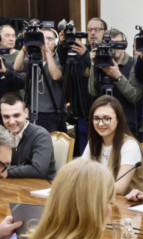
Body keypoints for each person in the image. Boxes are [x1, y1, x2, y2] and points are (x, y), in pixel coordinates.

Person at [57, 17, 107, 153]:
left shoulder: (106, 52)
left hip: (99, 108)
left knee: (99, 150)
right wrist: (61, 45)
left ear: (105, 32)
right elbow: (63, 63)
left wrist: (86, 55)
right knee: (83, 150)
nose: (93, 33)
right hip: (81, 109)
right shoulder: (79, 50)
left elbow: (101, 73)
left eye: (97, 29)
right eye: (90, 29)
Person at [82, 95, 143, 195]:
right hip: (97, 201)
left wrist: (88, 188)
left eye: (107, 119)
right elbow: (81, 176)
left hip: (125, 206)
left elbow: (119, 188)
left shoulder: (130, 145)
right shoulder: (93, 142)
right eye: (96, 118)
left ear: (118, 119)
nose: (100, 123)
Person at [88, 28, 143, 137]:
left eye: (118, 44)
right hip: (104, 125)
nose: (115, 48)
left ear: (125, 45)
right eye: (111, 44)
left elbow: (135, 96)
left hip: (128, 126)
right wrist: (93, 65)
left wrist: (118, 76)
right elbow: (92, 91)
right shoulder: (101, 64)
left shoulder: (134, 64)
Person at [13, 27, 64, 132]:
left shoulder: (59, 59)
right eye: (42, 38)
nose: (45, 41)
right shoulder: (33, 58)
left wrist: (47, 52)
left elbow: (56, 76)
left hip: (53, 112)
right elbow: (17, 68)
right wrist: (25, 47)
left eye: (49, 38)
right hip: (34, 111)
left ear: (56, 42)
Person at [0, 92, 56, 180]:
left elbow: (38, 170)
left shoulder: (41, 135)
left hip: (41, 189)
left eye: (16, 115)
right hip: (14, 187)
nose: (11, 121)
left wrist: (5, 171)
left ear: (26, 113)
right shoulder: (2, 136)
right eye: (6, 117)